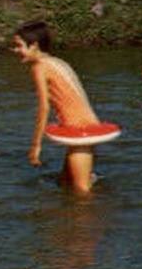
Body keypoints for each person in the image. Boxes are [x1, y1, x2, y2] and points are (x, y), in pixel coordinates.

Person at [15, 20, 103, 195]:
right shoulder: (58, 62)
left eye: (19, 46)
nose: (16, 50)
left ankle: (93, 220)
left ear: (34, 45)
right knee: (65, 184)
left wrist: (36, 145)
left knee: (82, 194)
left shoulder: (39, 67)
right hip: (87, 128)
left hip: (80, 133)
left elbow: (44, 108)